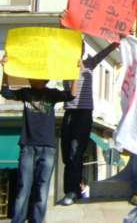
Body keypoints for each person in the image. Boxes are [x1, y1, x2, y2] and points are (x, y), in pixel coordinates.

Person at [1, 55, 78, 223]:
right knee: (24, 187)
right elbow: (5, 92)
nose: (29, 78)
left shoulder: (52, 94)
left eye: (33, 76)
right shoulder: (25, 92)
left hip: (47, 147)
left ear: (42, 79)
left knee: (42, 189)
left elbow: (71, 96)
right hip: (27, 146)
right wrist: (5, 70)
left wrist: (75, 73)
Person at [61, 41, 119, 205]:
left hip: (84, 113)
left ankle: (71, 191)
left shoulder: (89, 64)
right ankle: (74, 189)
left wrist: (114, 44)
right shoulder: (62, 65)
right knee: (67, 154)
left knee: (75, 151)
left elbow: (104, 53)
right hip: (69, 112)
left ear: (82, 51)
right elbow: (58, 41)